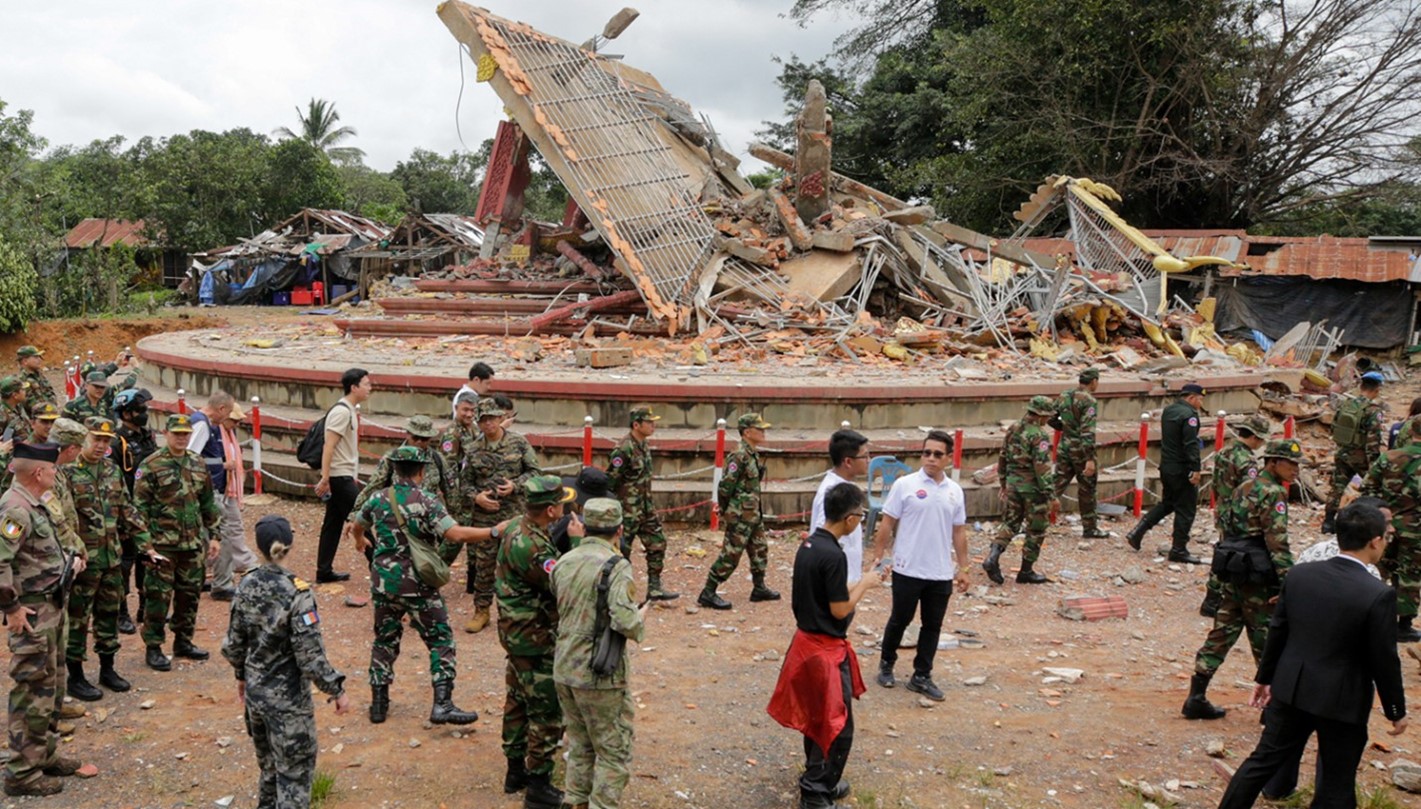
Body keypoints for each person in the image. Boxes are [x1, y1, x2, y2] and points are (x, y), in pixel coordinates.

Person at [1215, 501, 1408, 809]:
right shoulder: (1377, 593)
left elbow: (1278, 631)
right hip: (1341, 701)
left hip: (1292, 687)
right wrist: (1395, 709)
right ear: (1375, 541)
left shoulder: (1300, 575)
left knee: (1261, 762)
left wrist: (1265, 678)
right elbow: (1383, 659)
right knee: (1336, 782)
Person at [349, 446, 498, 727]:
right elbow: (454, 534)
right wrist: (493, 531)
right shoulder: (427, 500)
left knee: (384, 640)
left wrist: (359, 540)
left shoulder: (378, 498)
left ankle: (379, 705)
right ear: (421, 471)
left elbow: (358, 524)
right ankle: (442, 703)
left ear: (394, 469)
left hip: (384, 583)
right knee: (440, 638)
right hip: (418, 583)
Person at [770, 482, 886, 809]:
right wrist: (864, 584)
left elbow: (827, 592)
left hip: (806, 645)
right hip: (824, 651)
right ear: (849, 519)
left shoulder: (810, 545)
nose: (861, 523)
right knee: (838, 725)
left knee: (817, 719)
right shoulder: (834, 554)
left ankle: (819, 779)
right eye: (860, 517)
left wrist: (864, 581)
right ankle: (816, 792)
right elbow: (838, 609)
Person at [221, 515, 351, 809]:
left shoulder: (246, 585)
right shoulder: (297, 592)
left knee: (268, 770)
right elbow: (310, 656)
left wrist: (242, 676)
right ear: (289, 546)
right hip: (289, 705)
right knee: (294, 778)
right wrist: (336, 690)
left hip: (256, 699)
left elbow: (233, 643)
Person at [1183, 439, 1300, 721]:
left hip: (1234, 569)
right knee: (1267, 640)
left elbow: (1228, 527)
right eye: (1291, 463)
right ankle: (1272, 708)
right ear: (1272, 462)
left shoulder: (1242, 488)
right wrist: (1288, 582)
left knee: (1221, 633)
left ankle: (1196, 696)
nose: (1296, 470)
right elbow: (1277, 543)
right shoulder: (1273, 493)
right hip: (1259, 577)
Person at [0, 442, 92, 797]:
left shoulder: (36, 504)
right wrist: (11, 610)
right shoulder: (15, 510)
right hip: (33, 615)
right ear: (39, 472)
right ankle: (21, 773)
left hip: (52, 608)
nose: (57, 472)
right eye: (53, 468)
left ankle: (43, 754)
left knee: (51, 686)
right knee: (32, 689)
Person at [550, 498, 647, 809]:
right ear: (619, 530)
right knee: (613, 750)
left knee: (579, 744)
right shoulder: (616, 566)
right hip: (599, 672)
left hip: (565, 666)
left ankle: (575, 801)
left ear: (584, 527)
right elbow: (625, 620)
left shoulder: (564, 561)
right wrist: (641, 620)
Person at [496, 474, 578, 809]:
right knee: (546, 709)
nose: (563, 507)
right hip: (536, 636)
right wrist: (575, 544)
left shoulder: (518, 525)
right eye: (559, 503)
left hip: (517, 632)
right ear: (549, 509)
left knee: (517, 700)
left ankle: (515, 770)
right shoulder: (531, 546)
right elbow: (562, 582)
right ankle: (539, 785)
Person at [871, 429, 969, 702]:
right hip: (907, 567)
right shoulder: (906, 485)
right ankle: (886, 664)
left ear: (948, 458)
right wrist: (879, 556)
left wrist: (964, 568)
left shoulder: (955, 492)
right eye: (926, 452)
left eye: (938, 454)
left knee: (932, 625)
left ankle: (921, 675)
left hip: (939, 571)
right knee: (899, 620)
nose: (930, 458)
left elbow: (959, 531)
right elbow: (887, 522)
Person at [63, 417, 153, 701]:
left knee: (108, 614)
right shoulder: (67, 473)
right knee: (78, 619)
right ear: (83, 440)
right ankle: (75, 676)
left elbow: (127, 510)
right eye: (96, 439)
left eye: (106, 440)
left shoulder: (112, 470)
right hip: (83, 562)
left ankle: (107, 669)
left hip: (111, 557)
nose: (102, 445)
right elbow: (61, 520)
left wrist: (146, 545)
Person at [134, 413, 222, 671]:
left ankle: (183, 641)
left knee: (189, 596)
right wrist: (145, 545)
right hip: (162, 546)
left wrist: (215, 535)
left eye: (186, 434)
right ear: (166, 434)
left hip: (192, 544)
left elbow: (207, 502)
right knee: (158, 598)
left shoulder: (197, 463)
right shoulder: (151, 465)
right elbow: (138, 509)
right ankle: (154, 646)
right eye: (177, 434)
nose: (182, 438)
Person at [464, 397, 542, 634]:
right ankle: (482, 610)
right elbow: (464, 484)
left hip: (515, 515)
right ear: (478, 423)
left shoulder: (518, 443)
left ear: (500, 418)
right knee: (484, 565)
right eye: (483, 420)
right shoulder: (473, 449)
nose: (488, 424)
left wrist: (515, 486)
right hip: (486, 518)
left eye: (492, 419)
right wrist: (477, 498)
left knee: (519, 562)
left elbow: (534, 472)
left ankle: (522, 612)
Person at [699, 413, 777, 610]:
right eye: (759, 429)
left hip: (753, 513)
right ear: (747, 432)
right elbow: (725, 486)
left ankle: (759, 588)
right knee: (731, 554)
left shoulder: (752, 453)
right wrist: (727, 510)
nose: (763, 432)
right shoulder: (739, 455)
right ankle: (708, 591)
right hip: (741, 515)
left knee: (759, 549)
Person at [351, 415, 457, 561]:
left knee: (426, 563)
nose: (419, 442)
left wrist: (454, 516)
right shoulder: (392, 459)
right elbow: (373, 486)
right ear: (408, 434)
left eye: (424, 439)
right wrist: (355, 514)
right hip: (398, 520)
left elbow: (451, 491)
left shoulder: (437, 459)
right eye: (416, 437)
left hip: (427, 522)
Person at [1125, 382, 1206, 563]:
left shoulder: (1170, 411)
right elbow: (1190, 444)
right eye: (1199, 400)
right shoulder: (1189, 416)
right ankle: (1178, 549)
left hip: (1167, 466)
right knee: (1186, 509)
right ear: (1191, 398)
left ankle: (1138, 531)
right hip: (1182, 468)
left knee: (1168, 503)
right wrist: (1196, 468)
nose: (1200, 404)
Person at [1200, 414, 1271, 618]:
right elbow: (1249, 490)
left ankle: (1214, 597)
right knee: (1233, 554)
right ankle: (1217, 598)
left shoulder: (1225, 451)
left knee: (1224, 549)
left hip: (1222, 507)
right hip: (1237, 512)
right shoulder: (1246, 460)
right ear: (1255, 437)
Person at [605, 407, 678, 600]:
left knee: (657, 543)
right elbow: (611, 481)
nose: (653, 425)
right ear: (636, 425)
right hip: (627, 511)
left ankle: (654, 587)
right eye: (649, 422)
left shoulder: (643, 445)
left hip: (645, 508)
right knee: (622, 551)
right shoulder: (623, 449)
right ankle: (620, 591)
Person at [984, 396, 1058, 585]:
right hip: (1033, 489)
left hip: (1013, 484)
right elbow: (1041, 468)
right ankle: (1026, 571)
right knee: (1036, 529)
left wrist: (1003, 483)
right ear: (1041, 415)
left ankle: (993, 556)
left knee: (1010, 523)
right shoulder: (1039, 435)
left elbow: (1003, 457)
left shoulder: (1013, 428)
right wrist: (1051, 495)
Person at [1360, 423, 1421, 642]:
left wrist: (1382, 511)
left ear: (1411, 432)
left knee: (1379, 568)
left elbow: (1367, 488)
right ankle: (1403, 625)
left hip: (1384, 523)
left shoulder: (1389, 457)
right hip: (1416, 528)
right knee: (1410, 573)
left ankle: (1365, 615)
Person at [315, 368, 371, 584]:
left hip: (342, 474)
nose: (369, 388)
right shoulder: (342, 412)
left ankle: (323, 569)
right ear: (354, 387)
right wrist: (326, 477)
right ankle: (378, 566)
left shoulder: (349, 410)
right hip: (339, 476)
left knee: (333, 523)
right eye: (366, 384)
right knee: (363, 519)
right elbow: (329, 445)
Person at [112, 387, 156, 635]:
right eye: (140, 410)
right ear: (126, 413)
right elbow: (113, 481)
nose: (145, 413)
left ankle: (144, 607)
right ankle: (121, 612)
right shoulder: (117, 443)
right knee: (124, 564)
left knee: (146, 560)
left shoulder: (147, 437)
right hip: (126, 513)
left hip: (147, 511)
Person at [1324, 370, 1386, 534]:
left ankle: (1328, 522)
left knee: (1337, 487)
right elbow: (1373, 440)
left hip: (1342, 452)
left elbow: (1334, 427)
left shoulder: (1346, 404)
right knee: (1370, 488)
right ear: (1377, 388)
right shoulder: (1373, 410)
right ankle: (1365, 522)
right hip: (1361, 457)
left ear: (1361, 386)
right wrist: (1374, 464)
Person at [1054, 367, 1110, 538]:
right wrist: (1090, 459)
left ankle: (1030, 521)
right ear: (1094, 381)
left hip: (1065, 445)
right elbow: (1087, 432)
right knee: (1087, 489)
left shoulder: (1064, 395)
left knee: (1055, 485)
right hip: (1080, 450)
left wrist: (1065, 428)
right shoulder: (1089, 401)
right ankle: (1090, 527)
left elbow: (1050, 416)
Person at [810, 429, 870, 586]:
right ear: (848, 462)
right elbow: (823, 538)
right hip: (834, 582)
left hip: (845, 578)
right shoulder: (831, 493)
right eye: (864, 456)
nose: (869, 460)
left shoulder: (845, 487)